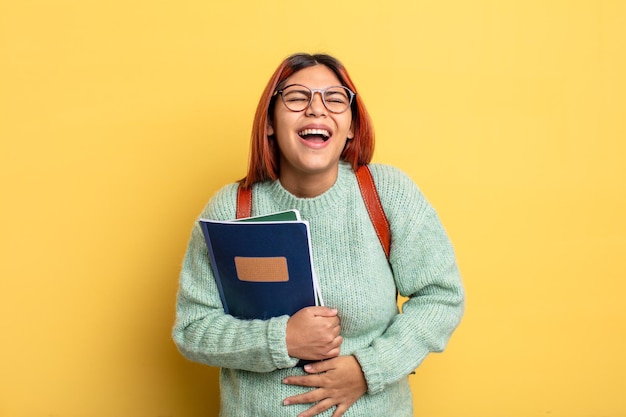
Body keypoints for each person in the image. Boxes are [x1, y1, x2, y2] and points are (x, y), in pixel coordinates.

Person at [172, 52, 465, 417]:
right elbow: (193, 329)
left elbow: (442, 296)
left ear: (352, 125)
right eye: (297, 97)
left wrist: (367, 370)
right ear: (269, 122)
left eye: (335, 98)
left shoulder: (388, 194)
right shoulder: (230, 209)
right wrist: (282, 339)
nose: (316, 109)